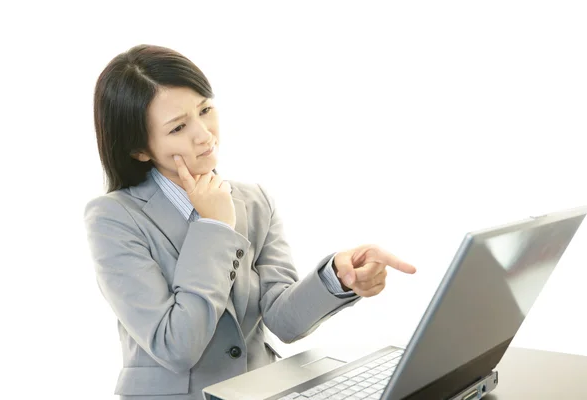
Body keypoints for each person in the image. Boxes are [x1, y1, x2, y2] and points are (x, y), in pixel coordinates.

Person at [84, 44, 417, 400]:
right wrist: (214, 229)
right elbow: (175, 345)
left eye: (205, 109)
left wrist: (337, 276)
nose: (204, 134)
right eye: (179, 127)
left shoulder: (254, 200)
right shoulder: (113, 217)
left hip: (265, 391)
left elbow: (282, 320)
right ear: (140, 150)